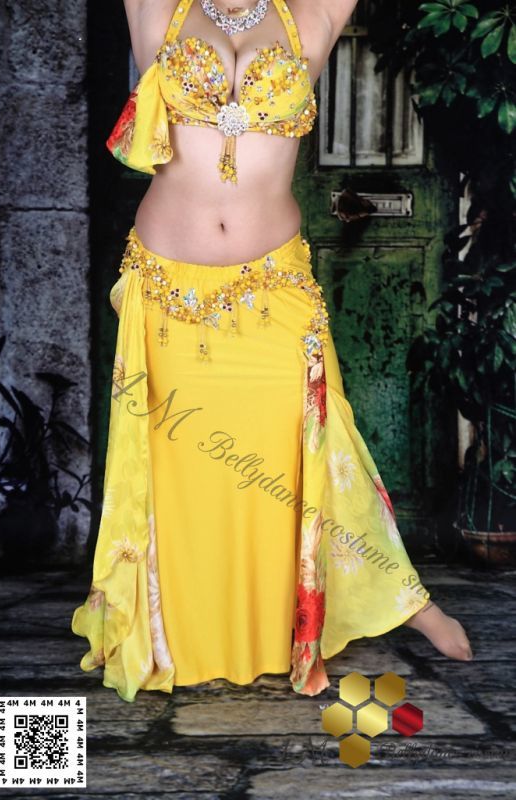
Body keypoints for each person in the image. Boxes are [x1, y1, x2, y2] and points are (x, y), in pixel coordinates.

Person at [71, 0, 473, 704]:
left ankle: (404, 600)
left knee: (311, 447)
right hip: (170, 292)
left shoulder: (310, 19)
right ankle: (183, 632)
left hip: (274, 288)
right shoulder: (159, 11)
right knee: (183, 466)